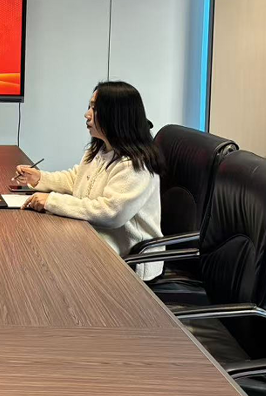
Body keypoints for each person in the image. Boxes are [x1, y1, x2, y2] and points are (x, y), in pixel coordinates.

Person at [15, 81, 164, 280]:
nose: (87, 114)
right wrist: (40, 178)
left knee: (47, 264)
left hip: (130, 259)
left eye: (95, 108)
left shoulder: (136, 165)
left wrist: (52, 201)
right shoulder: (101, 150)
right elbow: (76, 179)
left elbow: (111, 212)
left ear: (115, 115)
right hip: (96, 240)